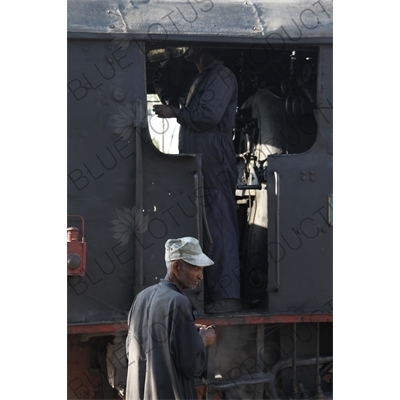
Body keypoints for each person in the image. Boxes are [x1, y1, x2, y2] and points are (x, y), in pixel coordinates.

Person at [153, 47, 242, 314]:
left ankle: (228, 296)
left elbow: (209, 115)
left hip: (214, 157)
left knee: (220, 225)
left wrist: (176, 113)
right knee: (207, 225)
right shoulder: (202, 78)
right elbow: (180, 102)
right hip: (202, 159)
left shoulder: (222, 76)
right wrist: (163, 72)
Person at [125, 237, 217, 400]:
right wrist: (202, 340)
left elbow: (131, 349)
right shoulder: (179, 302)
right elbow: (192, 366)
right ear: (176, 266)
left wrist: (188, 332)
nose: (200, 276)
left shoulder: (141, 297)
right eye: (196, 269)